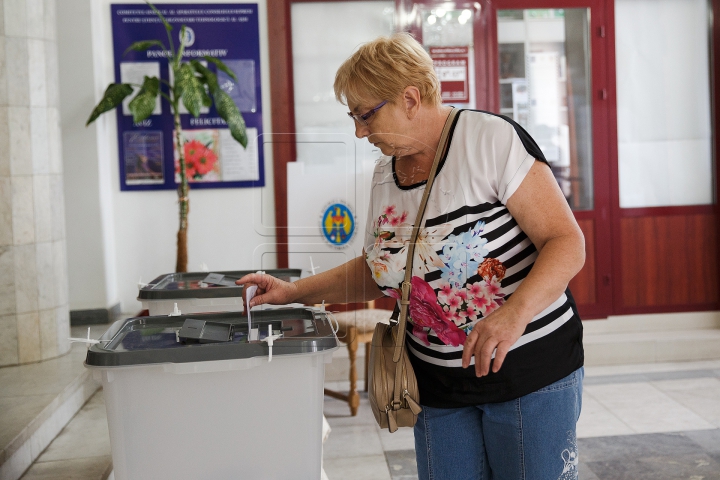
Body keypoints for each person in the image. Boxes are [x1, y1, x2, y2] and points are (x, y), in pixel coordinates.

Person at [237, 33, 585, 480]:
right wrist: (294, 292)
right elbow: (382, 270)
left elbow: (565, 241)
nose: (360, 132)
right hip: (437, 387)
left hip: (528, 373)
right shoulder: (387, 173)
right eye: (354, 118)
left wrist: (513, 314)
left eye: (365, 115)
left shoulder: (489, 140)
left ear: (410, 98)